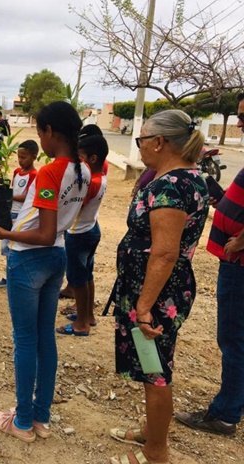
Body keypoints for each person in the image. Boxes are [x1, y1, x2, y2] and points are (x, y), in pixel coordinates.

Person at [107, 110, 208, 464]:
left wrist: (144, 306)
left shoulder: (170, 186)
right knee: (153, 366)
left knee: (155, 371)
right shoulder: (186, 177)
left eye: (141, 140)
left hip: (157, 294)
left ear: (159, 142)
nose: (139, 146)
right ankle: (152, 432)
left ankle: (156, 452)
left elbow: (164, 253)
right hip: (158, 289)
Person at [0, 101, 90, 443]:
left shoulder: (49, 172)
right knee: (45, 338)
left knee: (26, 340)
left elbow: (42, 233)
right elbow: (56, 230)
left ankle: (22, 421)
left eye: (40, 133)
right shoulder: (83, 172)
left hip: (30, 259)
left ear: (49, 131)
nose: (40, 140)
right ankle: (40, 417)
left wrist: (5, 233)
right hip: (57, 257)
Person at [174, 94, 244, 438]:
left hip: (239, 262)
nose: (240, 123)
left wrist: (241, 241)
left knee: (233, 337)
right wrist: (224, 198)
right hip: (234, 258)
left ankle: (225, 414)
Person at [55, 135, 108, 336]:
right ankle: (88, 316)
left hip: (78, 234)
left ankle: (81, 323)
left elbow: (74, 205)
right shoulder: (100, 177)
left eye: (81, 158)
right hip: (91, 228)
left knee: (77, 279)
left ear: (92, 159)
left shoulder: (90, 183)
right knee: (87, 276)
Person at [0, 139, 39, 288]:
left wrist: (9, 196)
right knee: (8, 246)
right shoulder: (16, 172)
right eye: (19, 157)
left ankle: (18, 276)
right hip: (11, 212)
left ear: (34, 156)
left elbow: (29, 196)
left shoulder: (34, 175)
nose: (20, 160)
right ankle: (9, 276)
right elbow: (13, 189)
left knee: (18, 246)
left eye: (23, 157)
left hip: (22, 214)